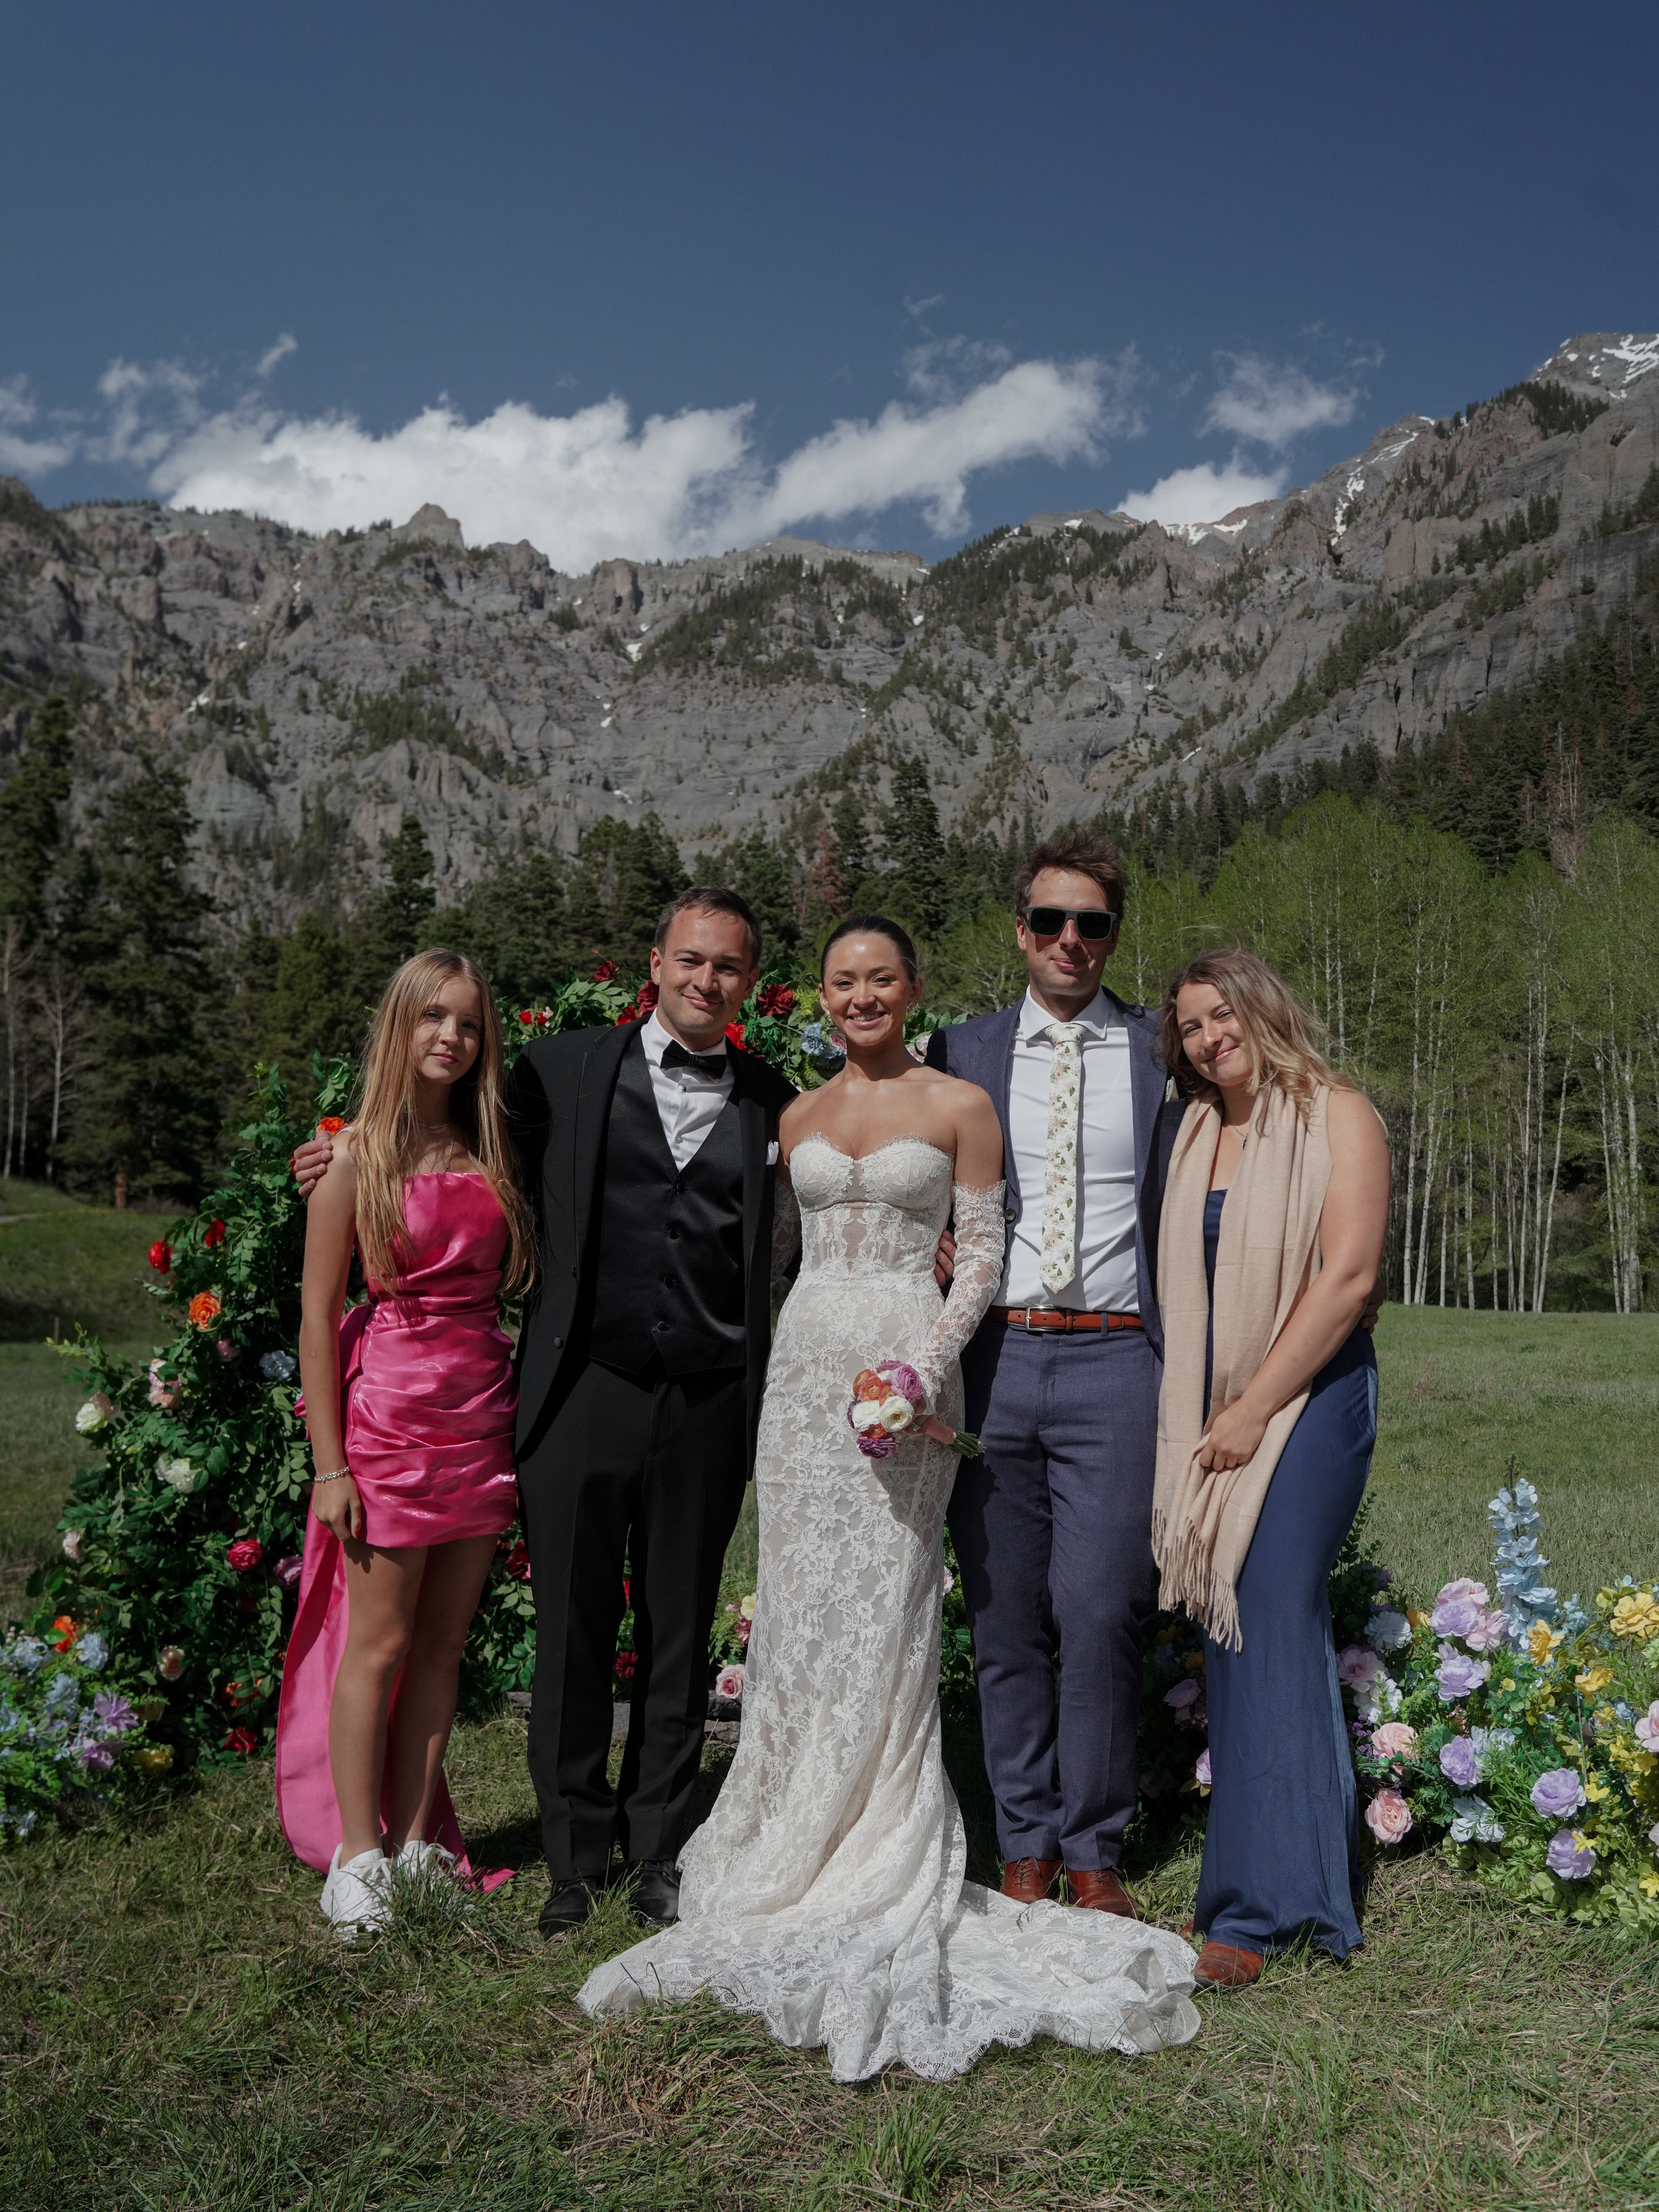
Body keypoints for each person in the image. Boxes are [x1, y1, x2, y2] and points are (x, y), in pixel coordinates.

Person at [577, 916, 1199, 2082]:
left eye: (881, 979)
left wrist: (924, 1369)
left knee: (892, 1609)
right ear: (819, 996)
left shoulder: (961, 1106)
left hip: (908, 1385)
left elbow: (984, 1255)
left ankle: (882, 1834)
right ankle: (790, 1824)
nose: (861, 997)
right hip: (808, 1380)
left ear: (913, 989)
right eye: (841, 982)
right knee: (805, 1609)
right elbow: (761, 1254)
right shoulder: (795, 1116)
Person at [923, 828, 1178, 1916]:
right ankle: (1023, 1838)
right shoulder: (958, 1049)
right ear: (1019, 930)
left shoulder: (1166, 1053)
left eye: (1093, 923)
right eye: (1050, 920)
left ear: (1114, 935)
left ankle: (1096, 1847)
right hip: (996, 1357)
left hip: (1121, 1357)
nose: (1070, 940)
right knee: (1005, 1610)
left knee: (1103, 1604)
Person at [275, 949, 533, 1937]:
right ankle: (356, 1853)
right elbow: (316, 1313)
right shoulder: (352, 1159)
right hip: (387, 1423)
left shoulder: (494, 1152)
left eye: (467, 1023)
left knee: (441, 1644)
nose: (450, 1038)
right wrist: (329, 1464)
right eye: (432, 1018)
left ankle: (421, 1841)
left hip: (480, 1415)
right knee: (375, 1645)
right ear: (400, 1026)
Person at [1155, 947, 1389, 1991]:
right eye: (1192, 1026)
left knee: (1265, 1606)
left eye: (1222, 1014)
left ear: (1262, 1006)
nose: (1210, 1037)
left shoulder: (1339, 1112)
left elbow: (1348, 1279)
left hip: (1313, 1398)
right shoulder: (1198, 1130)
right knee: (1231, 1623)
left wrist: (1254, 1407)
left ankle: (1262, 1907)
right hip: (1219, 1411)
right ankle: (1294, 1870)